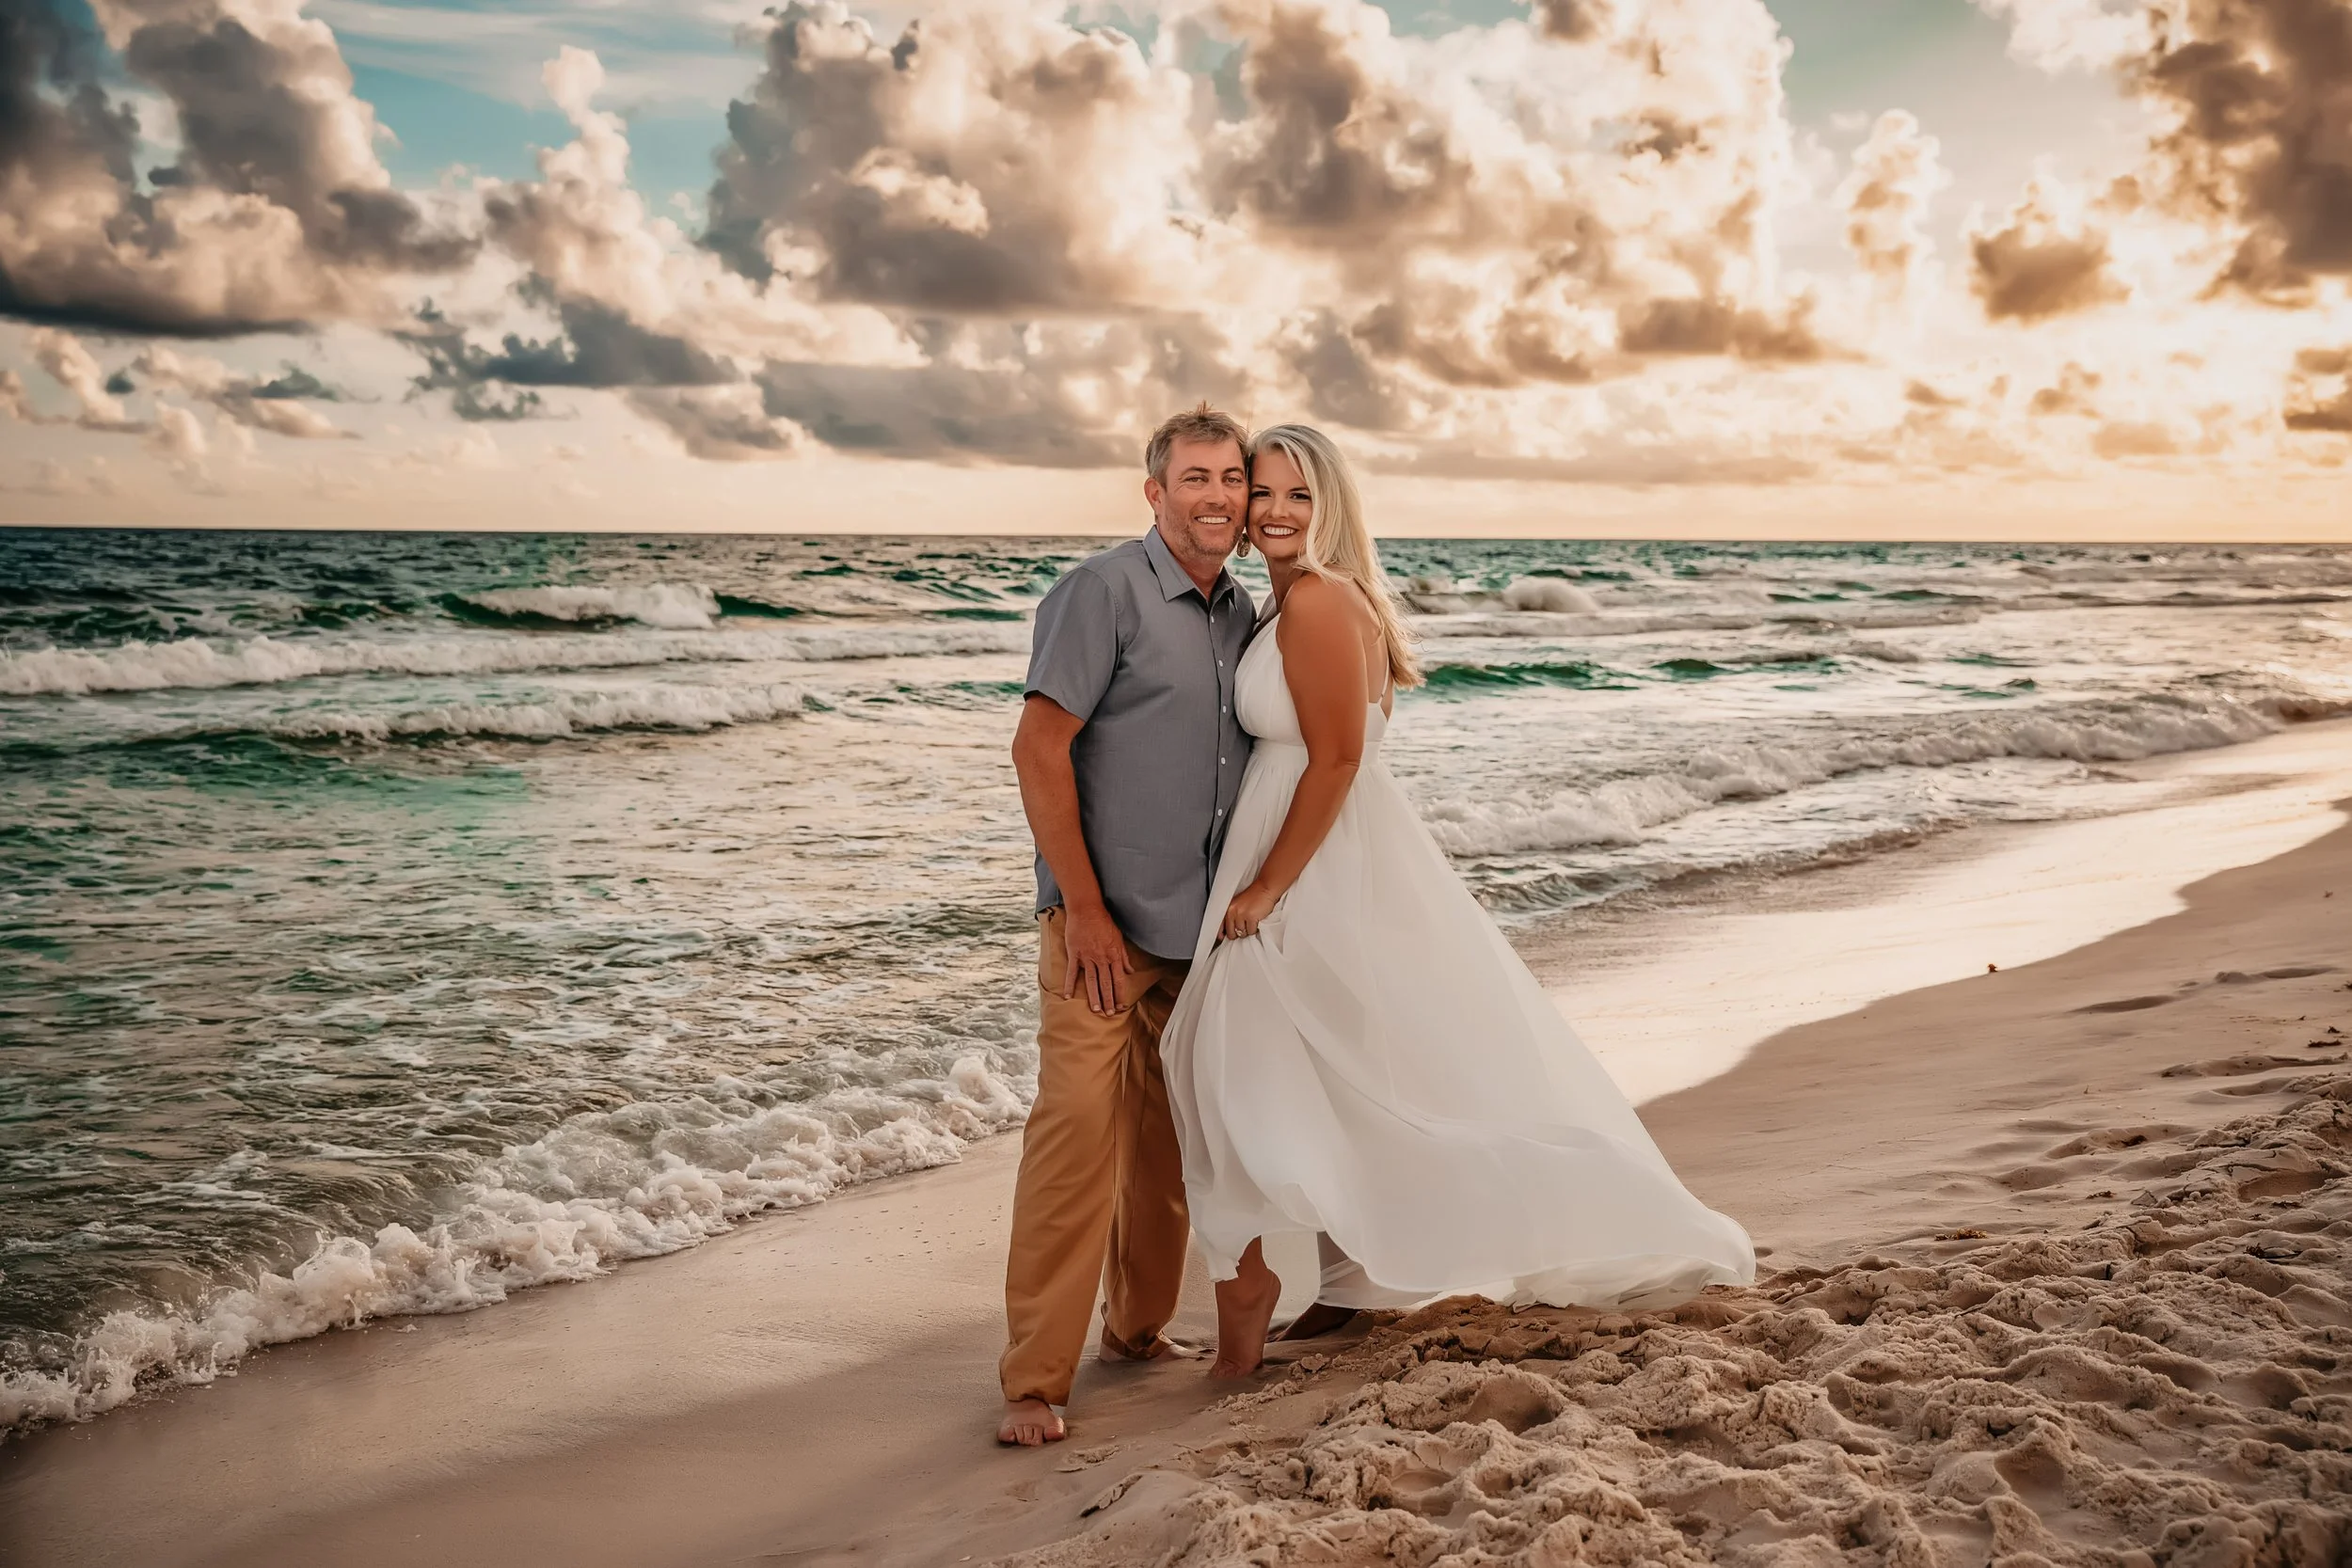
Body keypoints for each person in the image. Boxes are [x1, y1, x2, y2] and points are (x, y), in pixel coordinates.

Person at [1158, 424, 1757, 1378]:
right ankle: (1343, 1279)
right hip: (1323, 846)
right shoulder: (1300, 601)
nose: (1272, 510)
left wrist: (1269, 885)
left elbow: (1338, 758)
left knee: (1252, 1062)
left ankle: (1274, 1291)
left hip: (1311, 856)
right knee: (1330, 1067)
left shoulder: (1315, 602)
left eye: (1296, 495)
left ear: (1331, 506)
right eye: (1260, 491)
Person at [996, 403, 1255, 1446]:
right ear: (1154, 492)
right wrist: (1085, 910)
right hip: (1100, 931)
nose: (1217, 496)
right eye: (1195, 478)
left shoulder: (1243, 612)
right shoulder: (1098, 592)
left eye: (1231, 478)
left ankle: (1137, 1331)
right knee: (1074, 1141)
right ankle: (1031, 1380)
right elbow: (1037, 749)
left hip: (1197, 937)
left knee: (1163, 1147)